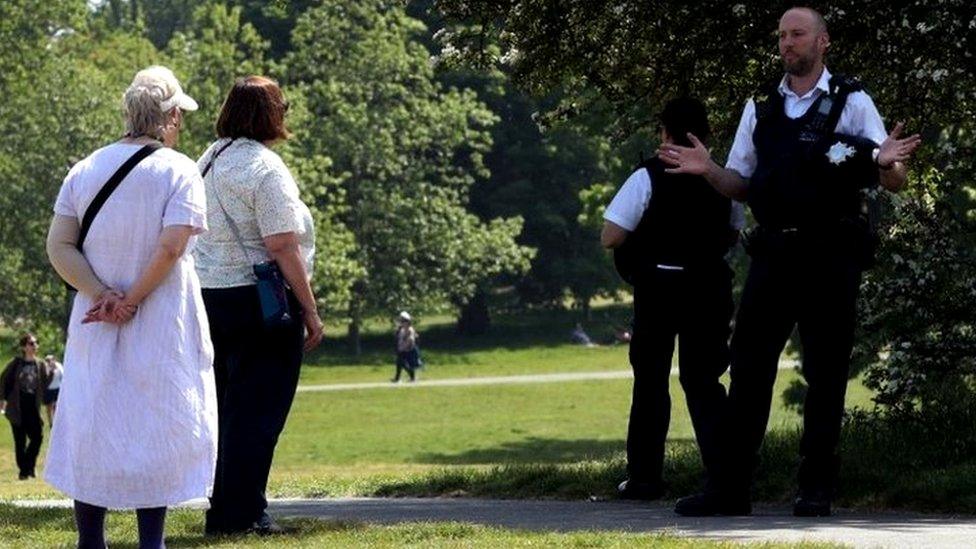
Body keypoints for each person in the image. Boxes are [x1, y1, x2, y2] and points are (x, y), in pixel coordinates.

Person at [661, 8, 921, 517]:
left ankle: (816, 487)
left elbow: (890, 174)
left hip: (831, 253)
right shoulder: (760, 106)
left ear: (823, 42)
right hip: (774, 253)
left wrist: (890, 165)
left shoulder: (852, 100)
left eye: (797, 34)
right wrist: (708, 170)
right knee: (750, 369)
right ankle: (730, 488)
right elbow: (741, 181)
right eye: (781, 35)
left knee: (826, 372)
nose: (787, 43)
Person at [44, 65, 218, 548]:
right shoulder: (179, 170)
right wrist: (132, 301)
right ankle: (150, 540)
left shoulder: (84, 169)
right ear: (169, 117)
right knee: (154, 421)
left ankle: (91, 538)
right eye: (179, 115)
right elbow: (170, 248)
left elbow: (60, 247)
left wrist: (103, 295)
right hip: (160, 316)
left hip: (95, 318)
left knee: (94, 418)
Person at [194, 75, 323, 536]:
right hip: (261, 301)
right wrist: (309, 309)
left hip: (210, 298)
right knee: (259, 413)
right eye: (282, 106)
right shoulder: (265, 169)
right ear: (270, 114)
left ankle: (223, 509)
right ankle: (245, 514)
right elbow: (282, 244)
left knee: (229, 410)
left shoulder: (207, 159)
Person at [601, 97, 743, 500]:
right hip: (708, 288)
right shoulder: (722, 181)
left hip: (658, 288)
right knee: (703, 381)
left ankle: (645, 477)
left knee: (650, 381)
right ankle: (724, 474)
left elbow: (611, 234)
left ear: (662, 132)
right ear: (708, 133)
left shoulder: (647, 176)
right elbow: (732, 232)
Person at [0, 333, 50, 480]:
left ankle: (28, 466)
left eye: (35, 343)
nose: (34, 346)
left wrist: (51, 370)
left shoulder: (40, 364)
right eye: (31, 343)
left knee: (37, 437)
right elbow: (3, 380)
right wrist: (2, 399)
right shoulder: (16, 363)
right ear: (24, 347)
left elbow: (46, 382)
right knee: (20, 440)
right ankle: (24, 471)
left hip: (33, 405)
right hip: (17, 406)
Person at [392, 311, 421, 383]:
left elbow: (410, 339)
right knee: (399, 363)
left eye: (403, 320)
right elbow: (398, 338)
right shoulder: (401, 329)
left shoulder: (409, 329)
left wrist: (404, 347)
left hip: (406, 349)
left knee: (402, 363)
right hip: (401, 349)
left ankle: (411, 377)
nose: (401, 322)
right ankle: (398, 378)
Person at [42, 355, 63, 427]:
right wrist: (50, 370)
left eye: (51, 359)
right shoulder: (45, 368)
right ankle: (50, 422)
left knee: (56, 406)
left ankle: (56, 422)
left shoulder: (59, 366)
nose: (49, 361)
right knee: (49, 407)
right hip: (48, 389)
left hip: (57, 388)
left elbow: (62, 375)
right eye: (47, 360)